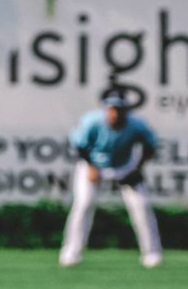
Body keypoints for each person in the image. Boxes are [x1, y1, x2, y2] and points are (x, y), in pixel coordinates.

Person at [59, 86, 162, 268]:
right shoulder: (93, 121)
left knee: (142, 205)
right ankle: (71, 253)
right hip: (94, 164)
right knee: (83, 204)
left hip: (124, 165)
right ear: (106, 108)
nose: (115, 112)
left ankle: (152, 254)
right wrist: (91, 167)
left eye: (119, 109)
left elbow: (150, 145)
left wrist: (137, 169)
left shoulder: (136, 124)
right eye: (112, 108)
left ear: (125, 110)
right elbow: (80, 146)